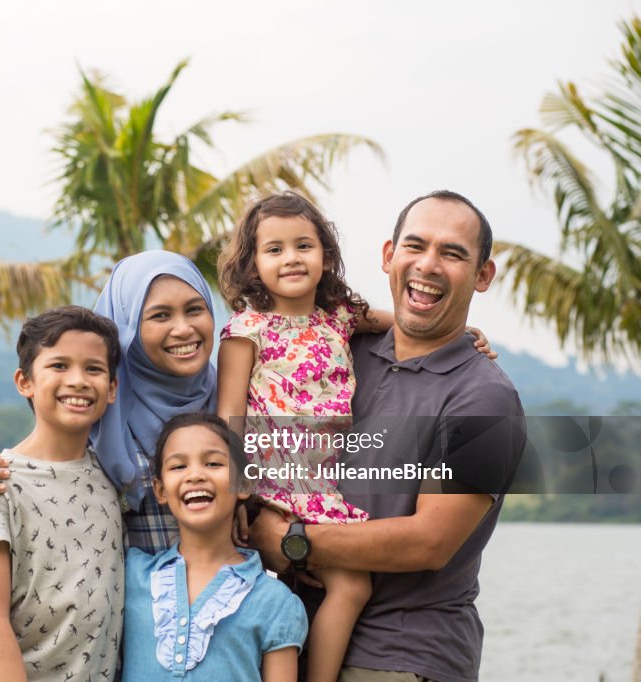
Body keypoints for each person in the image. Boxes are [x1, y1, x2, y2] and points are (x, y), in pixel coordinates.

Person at [245, 190, 527, 682]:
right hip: (288, 638)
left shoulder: (484, 397)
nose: (429, 265)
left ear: (483, 276)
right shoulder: (338, 346)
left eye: (453, 253)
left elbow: (428, 542)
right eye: (415, 246)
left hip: (401, 654)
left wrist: (291, 541)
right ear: (388, 256)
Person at [216, 191, 392, 682]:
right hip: (278, 481)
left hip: (324, 479)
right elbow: (228, 414)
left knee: (313, 590)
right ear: (252, 264)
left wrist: (466, 334)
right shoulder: (245, 330)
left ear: (326, 255)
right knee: (352, 584)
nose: (291, 258)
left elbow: (410, 326)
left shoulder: (341, 316)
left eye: (303, 246)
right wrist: (235, 496)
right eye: (274, 249)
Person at [0, 250, 218, 556]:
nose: (182, 329)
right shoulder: (98, 414)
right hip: (126, 602)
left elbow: (279, 483)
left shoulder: (245, 397)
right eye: (159, 315)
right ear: (128, 327)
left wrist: (273, 528)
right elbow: (38, 482)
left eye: (195, 310)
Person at [0, 305, 123, 681]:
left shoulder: (113, 477)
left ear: (112, 388)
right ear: (24, 381)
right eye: (59, 366)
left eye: (94, 369)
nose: (79, 380)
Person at [123, 411, 307, 681]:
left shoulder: (275, 601)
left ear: (243, 482)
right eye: (178, 467)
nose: (195, 475)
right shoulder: (132, 575)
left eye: (212, 463)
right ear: (160, 490)